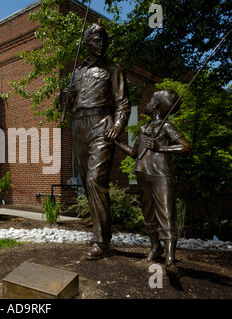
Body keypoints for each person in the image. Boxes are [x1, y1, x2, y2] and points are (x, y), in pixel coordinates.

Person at [59, 23, 131, 260]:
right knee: (87, 184)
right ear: (87, 43)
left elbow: (123, 103)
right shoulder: (77, 73)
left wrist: (118, 126)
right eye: (96, 40)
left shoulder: (113, 69)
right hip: (78, 126)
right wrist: (64, 98)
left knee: (95, 180)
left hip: (101, 124)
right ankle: (99, 235)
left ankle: (101, 242)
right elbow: (67, 107)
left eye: (104, 40)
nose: (101, 44)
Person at [115, 89, 192, 273]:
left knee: (166, 215)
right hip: (142, 173)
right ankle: (155, 247)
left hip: (161, 175)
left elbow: (187, 146)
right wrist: (116, 142)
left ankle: (170, 259)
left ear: (156, 105)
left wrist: (160, 148)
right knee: (148, 214)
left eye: (150, 100)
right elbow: (135, 153)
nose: (147, 103)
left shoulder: (166, 127)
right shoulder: (144, 128)